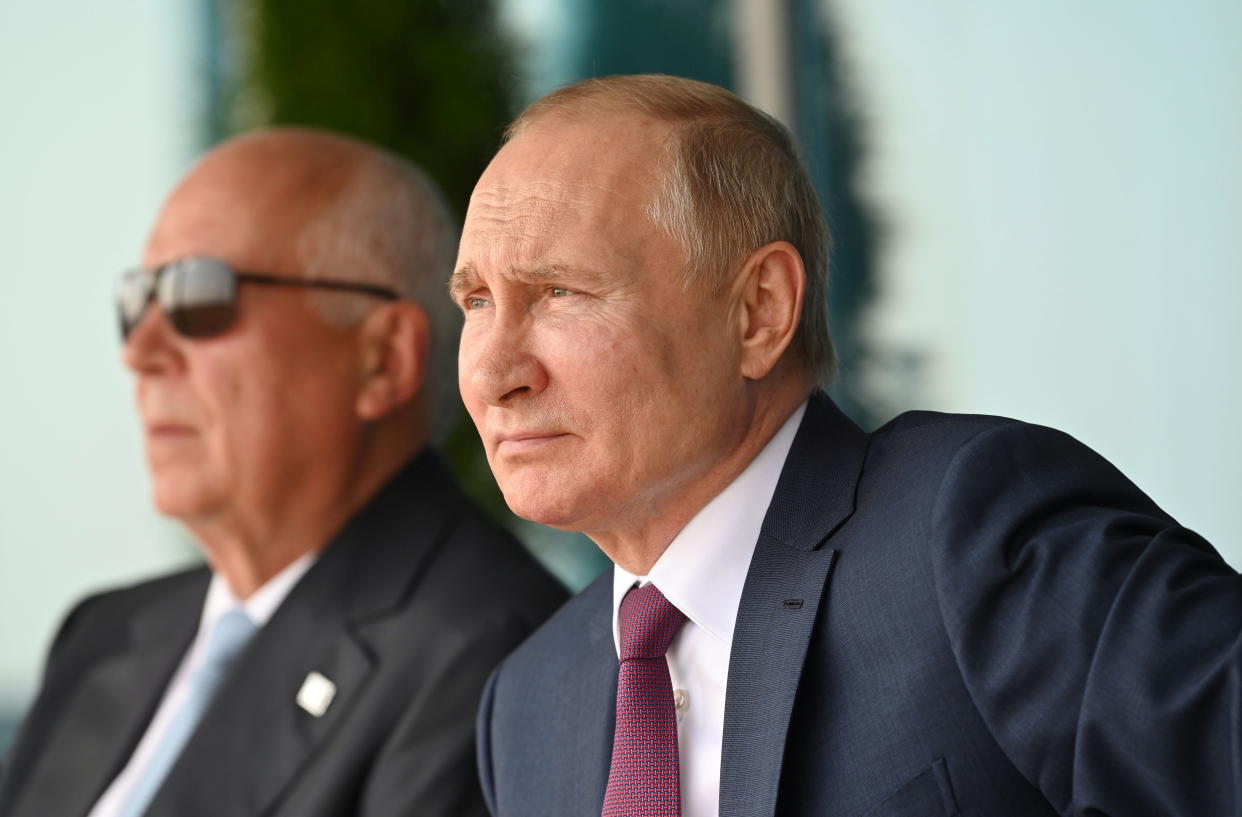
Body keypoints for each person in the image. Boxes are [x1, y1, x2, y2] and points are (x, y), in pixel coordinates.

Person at [454, 74, 1242, 817]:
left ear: (759, 311)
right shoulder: (524, 706)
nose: (494, 371)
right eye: (477, 300)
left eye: (560, 292)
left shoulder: (971, 532)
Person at [0, 128, 565, 817]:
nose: (142, 349)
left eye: (195, 297)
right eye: (137, 300)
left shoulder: (496, 655)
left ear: (382, 358)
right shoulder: (106, 632)